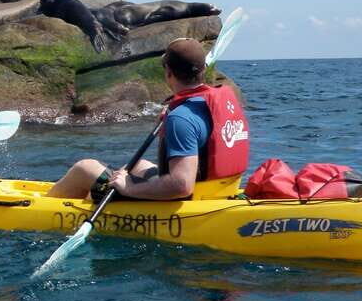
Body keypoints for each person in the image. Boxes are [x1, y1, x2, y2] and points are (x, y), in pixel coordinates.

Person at [46, 37, 249, 201]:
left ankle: (48, 210)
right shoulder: (215, 103)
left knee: (85, 167)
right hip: (215, 191)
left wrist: (129, 188)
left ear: (168, 73)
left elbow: (181, 185)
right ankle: (93, 197)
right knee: (138, 164)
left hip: (185, 200)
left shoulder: (181, 118)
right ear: (203, 70)